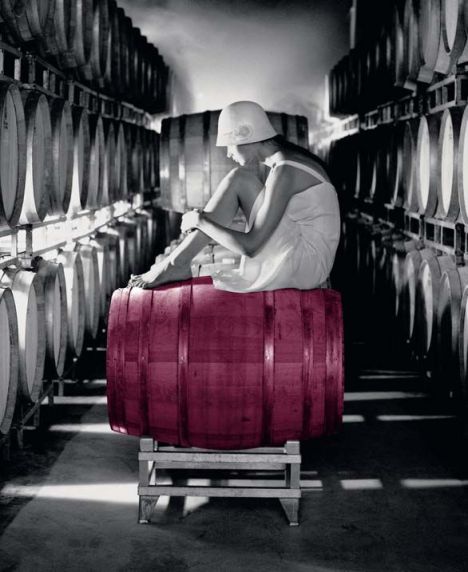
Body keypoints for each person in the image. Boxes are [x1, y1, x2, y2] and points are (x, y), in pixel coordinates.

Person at [128, 100, 341, 292]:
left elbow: (250, 246)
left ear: (246, 134)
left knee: (239, 179)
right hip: (308, 257)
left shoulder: (286, 169)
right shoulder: (287, 161)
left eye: (229, 144)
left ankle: (176, 264)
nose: (228, 153)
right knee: (240, 179)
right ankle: (176, 263)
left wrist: (200, 221)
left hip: (307, 265)